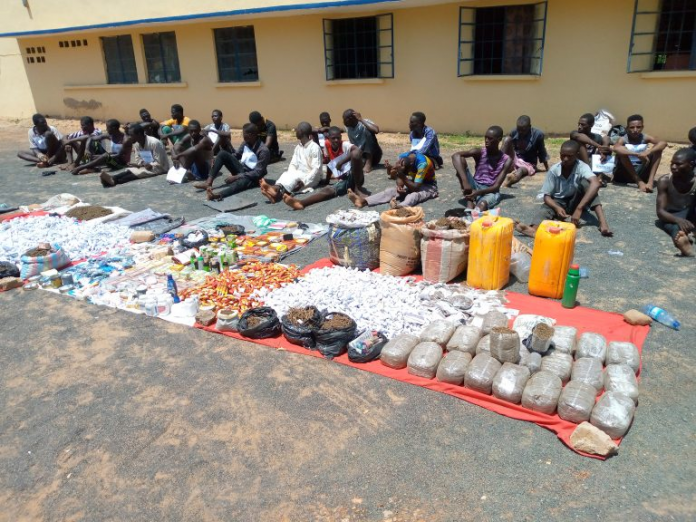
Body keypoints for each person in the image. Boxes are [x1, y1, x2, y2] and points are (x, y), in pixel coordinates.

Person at [515, 140, 612, 237]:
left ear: (577, 155)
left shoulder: (582, 166)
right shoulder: (554, 170)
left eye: (570, 156)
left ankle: (603, 223)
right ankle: (534, 230)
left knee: (588, 184)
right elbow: (546, 196)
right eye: (563, 155)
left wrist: (579, 208)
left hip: (576, 201)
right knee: (545, 209)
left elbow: (595, 183)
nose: (565, 159)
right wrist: (557, 208)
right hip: (559, 202)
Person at [283, 126, 364, 210]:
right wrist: (327, 180)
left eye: (338, 138)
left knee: (329, 190)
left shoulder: (344, 145)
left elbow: (357, 152)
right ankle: (301, 203)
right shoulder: (327, 144)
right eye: (333, 138)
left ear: (341, 137)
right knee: (328, 189)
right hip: (344, 178)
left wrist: (341, 162)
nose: (336, 140)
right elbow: (330, 163)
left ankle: (302, 203)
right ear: (328, 138)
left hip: (355, 177)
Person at [192, 123, 270, 201]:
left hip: (254, 177)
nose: (243, 136)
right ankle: (208, 183)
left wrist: (237, 176)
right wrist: (218, 159)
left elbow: (258, 172)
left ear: (250, 135)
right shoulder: (246, 143)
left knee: (241, 183)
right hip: (243, 170)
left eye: (244, 134)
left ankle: (218, 195)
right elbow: (237, 155)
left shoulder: (263, 151)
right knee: (222, 153)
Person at [451, 126, 512, 211]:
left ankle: (472, 203)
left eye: (490, 138)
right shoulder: (480, 152)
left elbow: (496, 186)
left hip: (490, 191)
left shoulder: (506, 160)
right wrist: (465, 182)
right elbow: (455, 156)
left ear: (499, 139)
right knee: (460, 160)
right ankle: (470, 201)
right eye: (485, 137)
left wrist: (478, 192)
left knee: (481, 206)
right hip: (474, 185)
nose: (486, 140)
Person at [348, 151, 437, 209]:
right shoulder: (402, 157)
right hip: (413, 183)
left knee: (413, 196)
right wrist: (400, 186)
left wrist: (403, 176)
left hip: (428, 186)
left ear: (411, 165)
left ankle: (399, 208)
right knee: (390, 191)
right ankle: (363, 201)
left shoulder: (422, 163)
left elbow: (416, 188)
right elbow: (399, 176)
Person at [259, 122, 322, 203]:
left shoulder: (314, 148)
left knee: (293, 179)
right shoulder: (298, 147)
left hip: (311, 177)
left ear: (302, 132)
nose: (296, 131)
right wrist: (291, 173)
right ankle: (274, 193)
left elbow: (316, 169)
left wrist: (304, 182)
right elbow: (293, 164)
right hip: (299, 174)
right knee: (286, 175)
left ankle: (274, 192)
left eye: (297, 129)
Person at [99, 123, 170, 187]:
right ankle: (112, 178)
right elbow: (138, 158)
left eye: (131, 135)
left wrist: (150, 165)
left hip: (160, 168)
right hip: (145, 166)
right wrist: (140, 164)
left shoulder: (154, 143)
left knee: (138, 173)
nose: (129, 137)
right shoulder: (136, 144)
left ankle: (114, 181)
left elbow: (159, 162)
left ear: (139, 134)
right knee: (130, 170)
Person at [655, 148, 696, 256]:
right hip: (671, 216)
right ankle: (684, 242)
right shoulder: (665, 181)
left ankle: (687, 235)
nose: (673, 167)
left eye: (678, 164)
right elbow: (660, 211)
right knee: (674, 227)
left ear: (691, 164)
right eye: (672, 163)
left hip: (691, 215)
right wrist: (678, 220)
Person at [612, 114, 667, 193]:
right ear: (627, 128)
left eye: (638, 127)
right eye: (632, 127)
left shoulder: (645, 137)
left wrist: (648, 152)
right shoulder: (623, 139)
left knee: (657, 150)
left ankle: (650, 182)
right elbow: (616, 148)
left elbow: (663, 143)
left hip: (641, 170)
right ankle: (639, 182)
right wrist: (637, 154)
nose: (635, 130)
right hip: (624, 173)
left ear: (642, 127)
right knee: (622, 153)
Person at [502, 115, 550, 187]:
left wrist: (547, 168)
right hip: (515, 158)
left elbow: (542, 152)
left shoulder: (538, 135)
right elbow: (510, 148)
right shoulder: (514, 132)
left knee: (521, 170)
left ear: (529, 127)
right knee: (506, 139)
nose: (520, 132)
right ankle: (497, 166)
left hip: (528, 163)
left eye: (523, 130)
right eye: (519, 129)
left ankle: (511, 179)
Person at [343, 109, 382, 173]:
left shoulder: (364, 122)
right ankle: (363, 162)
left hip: (373, 154)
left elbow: (376, 130)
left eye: (345, 119)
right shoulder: (347, 126)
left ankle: (368, 163)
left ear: (351, 119)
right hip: (361, 155)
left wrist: (361, 119)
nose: (343, 121)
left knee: (368, 131)